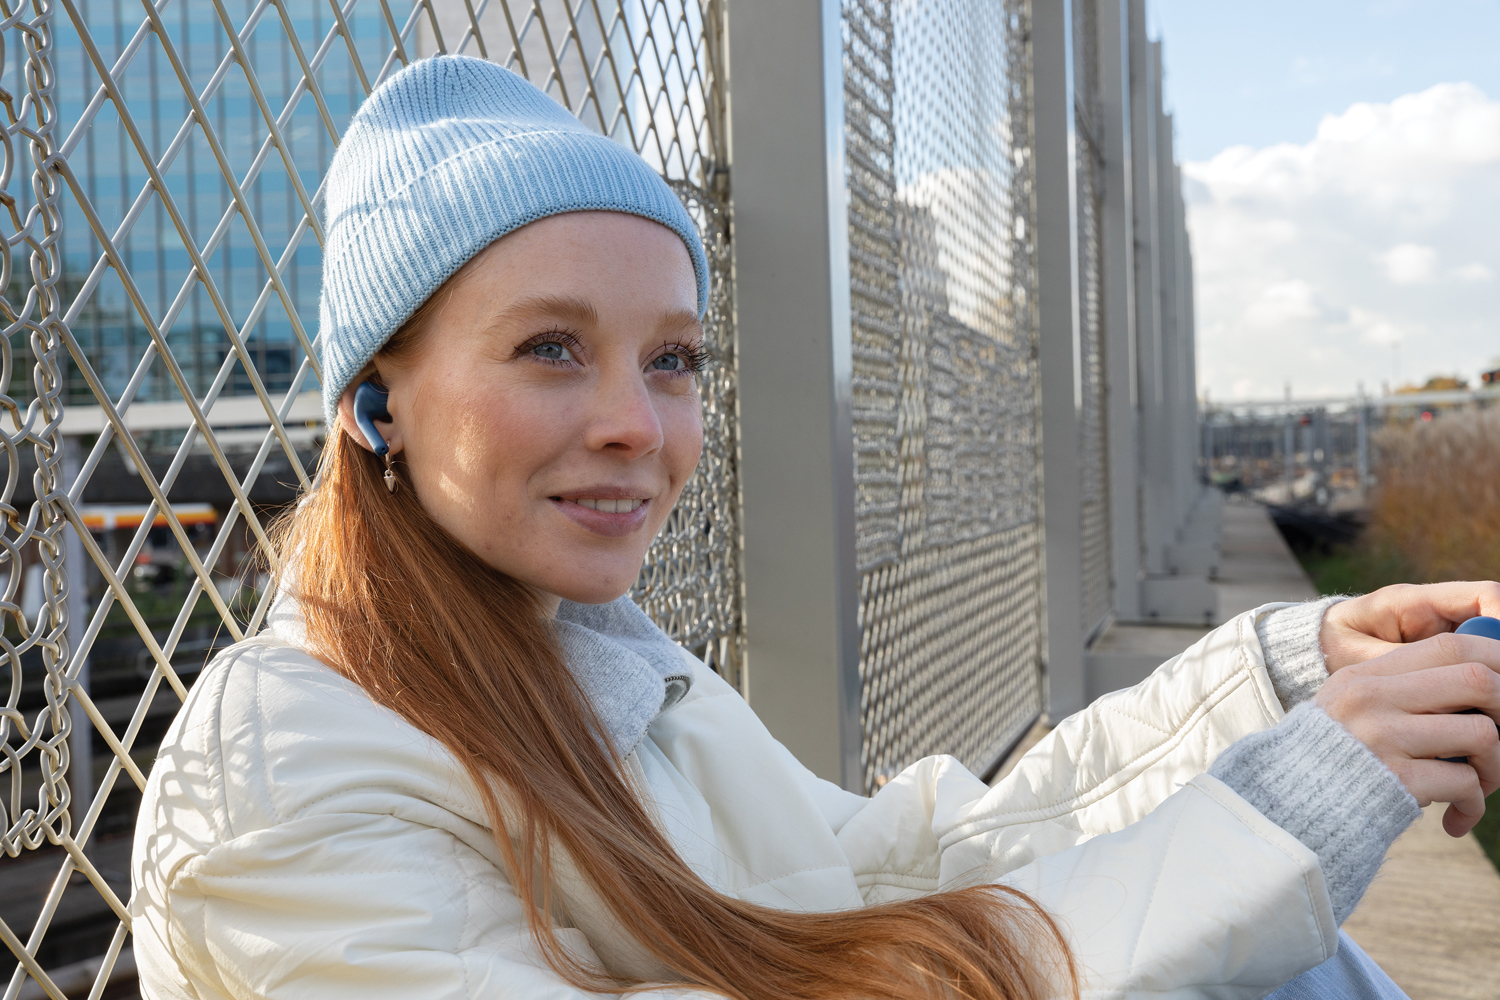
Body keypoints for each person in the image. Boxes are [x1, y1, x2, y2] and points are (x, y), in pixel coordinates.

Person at [129, 56, 1499, 1000]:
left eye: (674, 360)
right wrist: (1269, 829)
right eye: (552, 348)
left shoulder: (609, 673)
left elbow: (895, 874)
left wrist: (1283, 690)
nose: (638, 424)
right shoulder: (281, 766)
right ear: (376, 403)